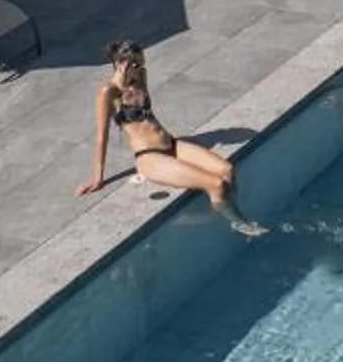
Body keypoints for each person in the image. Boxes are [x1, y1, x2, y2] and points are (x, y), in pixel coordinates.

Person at [77, 40, 263, 234]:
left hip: (171, 144)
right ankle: (242, 226)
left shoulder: (141, 76)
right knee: (215, 184)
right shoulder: (108, 92)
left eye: (141, 63)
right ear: (122, 64)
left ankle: (228, 210)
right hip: (149, 156)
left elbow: (149, 116)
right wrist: (98, 178)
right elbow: (102, 136)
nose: (140, 68)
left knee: (227, 169)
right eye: (136, 64)